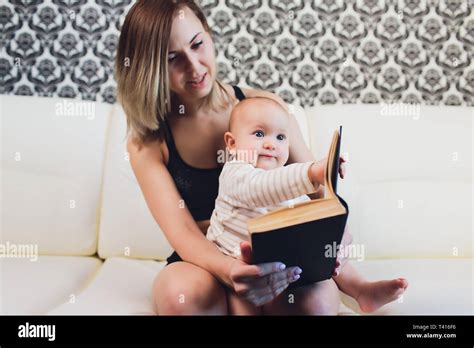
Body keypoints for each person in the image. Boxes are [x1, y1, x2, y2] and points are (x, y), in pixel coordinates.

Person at [115, 0, 403, 315]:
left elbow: (317, 190)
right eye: (173, 59)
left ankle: (357, 289)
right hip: (204, 257)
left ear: (209, 35)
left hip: (277, 248)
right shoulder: (149, 141)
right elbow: (182, 233)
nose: (195, 67)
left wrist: (335, 231)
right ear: (149, 67)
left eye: (198, 44)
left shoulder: (263, 108)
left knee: (314, 304)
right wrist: (229, 270)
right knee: (180, 297)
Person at [205, 96, 409, 314]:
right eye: (259, 134)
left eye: (280, 137)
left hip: (280, 262)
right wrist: (311, 172)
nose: (270, 143)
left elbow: (302, 207)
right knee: (243, 306)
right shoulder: (236, 172)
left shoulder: (288, 186)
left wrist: (329, 235)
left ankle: (362, 290)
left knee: (322, 248)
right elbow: (261, 187)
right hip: (236, 262)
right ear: (232, 143)